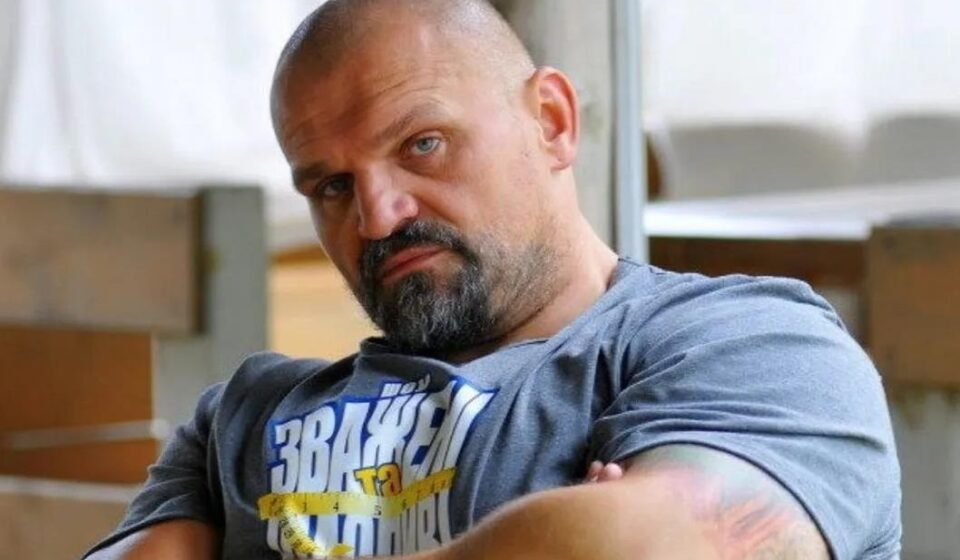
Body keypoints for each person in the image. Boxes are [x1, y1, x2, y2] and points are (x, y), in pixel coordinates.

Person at [86, 0, 901, 558]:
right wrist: (554, 531)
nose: (378, 216)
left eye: (422, 144)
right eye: (331, 186)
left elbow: (649, 547)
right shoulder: (242, 417)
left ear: (552, 121)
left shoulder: (749, 344)